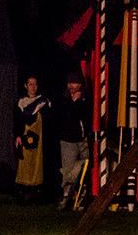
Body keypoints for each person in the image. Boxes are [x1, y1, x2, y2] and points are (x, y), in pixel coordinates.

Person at [55, 72, 90, 210]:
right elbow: (66, 117)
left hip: (83, 139)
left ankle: (81, 198)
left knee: (86, 166)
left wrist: (78, 103)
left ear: (80, 85)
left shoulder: (85, 99)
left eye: (74, 83)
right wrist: (73, 103)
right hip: (68, 140)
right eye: (70, 83)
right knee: (68, 169)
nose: (71, 86)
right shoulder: (63, 100)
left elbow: (85, 116)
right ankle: (66, 198)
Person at [14, 76, 51, 204]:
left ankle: (37, 193)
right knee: (25, 163)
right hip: (25, 137)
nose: (33, 87)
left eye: (35, 84)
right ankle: (24, 193)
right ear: (26, 86)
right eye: (30, 84)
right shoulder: (21, 102)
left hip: (40, 139)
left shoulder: (43, 102)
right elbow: (18, 120)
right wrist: (18, 136)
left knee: (38, 163)